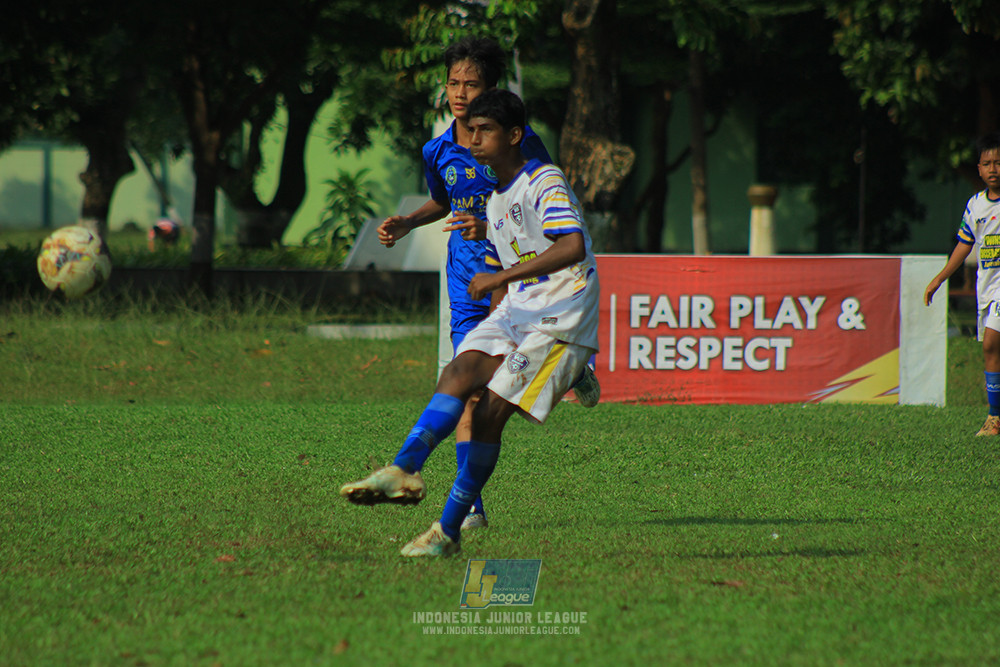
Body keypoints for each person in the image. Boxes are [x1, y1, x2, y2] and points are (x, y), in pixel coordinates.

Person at [341, 89, 601, 557]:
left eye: (485, 130)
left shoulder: (544, 180)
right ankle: (404, 468)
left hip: (561, 317)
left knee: (486, 417)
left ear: (514, 135)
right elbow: (508, 260)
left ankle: (448, 532)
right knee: (459, 371)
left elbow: (572, 246)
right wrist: (498, 313)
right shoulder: (496, 201)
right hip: (519, 309)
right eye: (471, 130)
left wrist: (499, 279)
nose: (474, 139)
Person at [925, 132, 1000, 435]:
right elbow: (964, 244)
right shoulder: (975, 206)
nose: (993, 168)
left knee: (992, 342)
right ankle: (995, 417)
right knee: (990, 351)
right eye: (987, 163)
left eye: (999, 162)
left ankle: (994, 418)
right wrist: (939, 278)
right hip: (987, 287)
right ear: (979, 169)